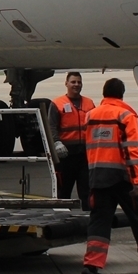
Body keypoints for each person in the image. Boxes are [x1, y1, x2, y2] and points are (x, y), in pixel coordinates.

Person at [81, 78, 138, 274]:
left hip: (98, 177)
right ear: (122, 94)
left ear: (104, 94)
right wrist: (136, 180)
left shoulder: (90, 116)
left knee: (99, 221)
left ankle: (92, 265)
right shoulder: (126, 115)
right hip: (122, 178)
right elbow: (131, 151)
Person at [51, 71, 95, 208]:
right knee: (64, 191)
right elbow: (51, 126)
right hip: (66, 155)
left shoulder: (89, 103)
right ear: (66, 84)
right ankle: (63, 222)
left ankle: (88, 221)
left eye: (79, 82)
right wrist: (56, 142)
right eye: (73, 82)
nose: (76, 85)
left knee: (86, 191)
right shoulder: (57, 103)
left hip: (84, 155)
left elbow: (95, 125)